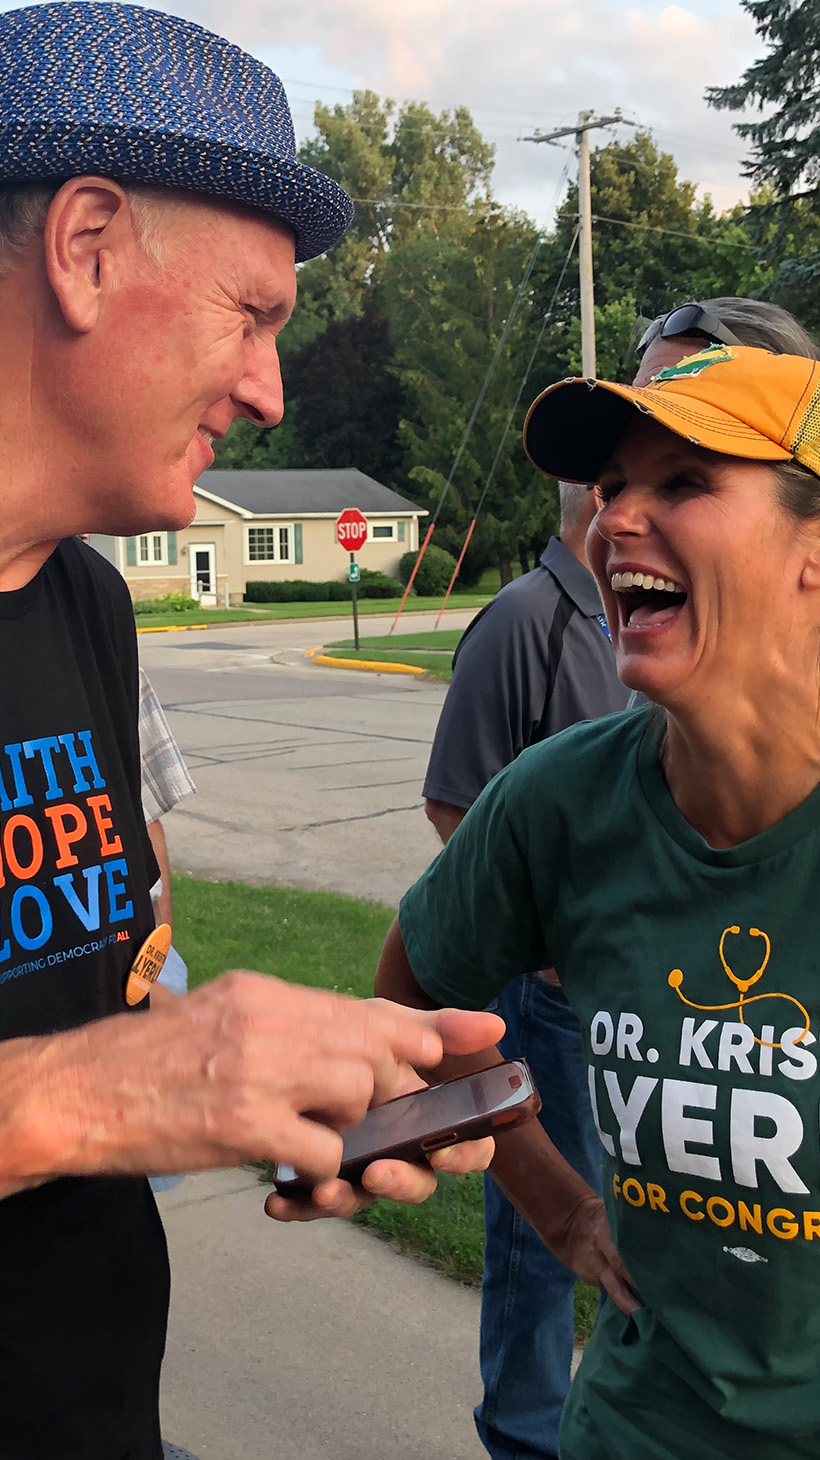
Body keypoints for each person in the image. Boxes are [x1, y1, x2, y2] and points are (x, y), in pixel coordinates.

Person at [0, 6, 503, 1456]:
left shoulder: (88, 608)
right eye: (253, 314)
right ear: (86, 245)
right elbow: (77, 1084)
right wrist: (86, 1097)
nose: (273, 388)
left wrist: (299, 1080)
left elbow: (98, 1002)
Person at [376, 341, 820, 1458]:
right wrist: (563, 1206)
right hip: (636, 1428)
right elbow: (418, 997)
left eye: (681, 482)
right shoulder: (559, 802)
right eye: (612, 485)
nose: (613, 519)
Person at [424, 488, 630, 1460]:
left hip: (645, 994)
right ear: (595, 497)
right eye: (627, 479)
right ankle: (524, 1439)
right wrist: (546, 942)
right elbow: (453, 802)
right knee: (539, 1250)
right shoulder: (522, 619)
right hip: (546, 1002)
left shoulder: (652, 621)